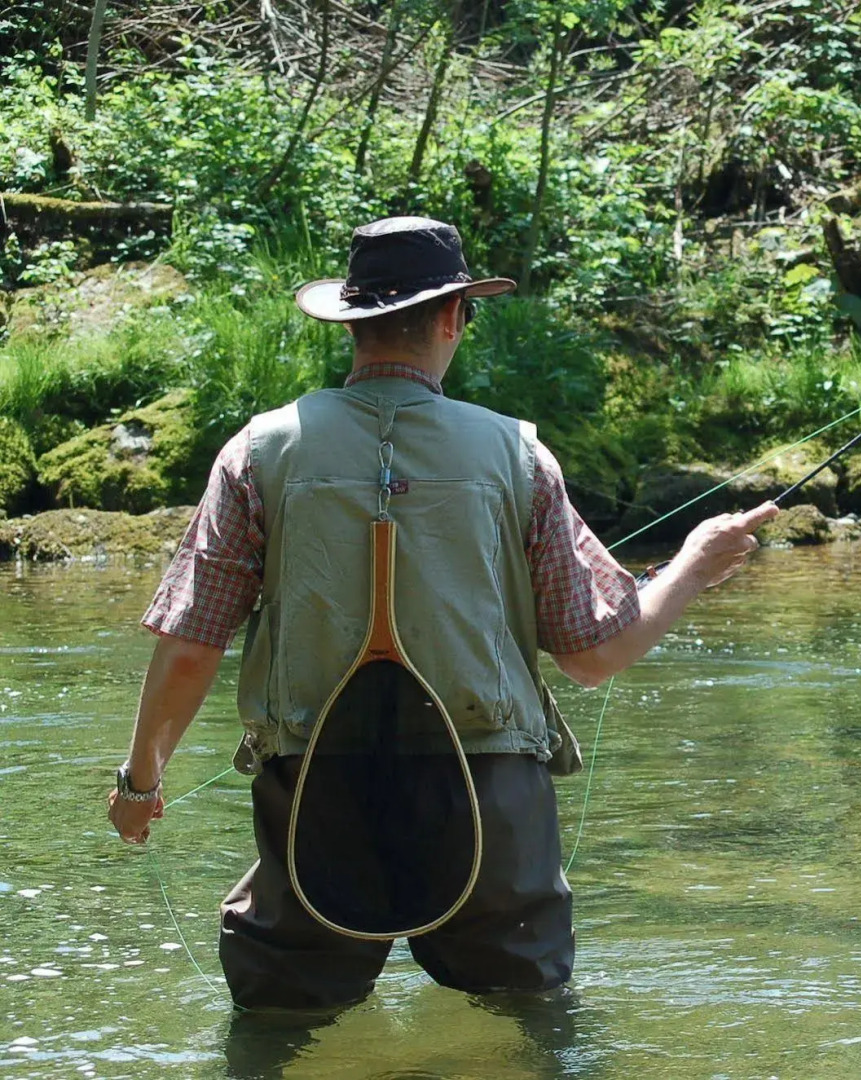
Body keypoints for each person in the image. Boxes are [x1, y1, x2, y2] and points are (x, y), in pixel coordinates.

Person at [104, 215, 776, 1010]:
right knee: (525, 1025)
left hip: (316, 792)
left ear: (349, 322)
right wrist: (695, 565)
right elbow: (595, 656)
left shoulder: (257, 450)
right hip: (491, 800)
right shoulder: (519, 453)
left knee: (280, 1020)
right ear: (455, 315)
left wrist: (140, 784)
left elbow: (190, 647)